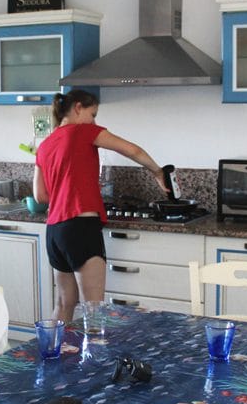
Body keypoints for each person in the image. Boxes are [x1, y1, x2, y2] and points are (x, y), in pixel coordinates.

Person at [33, 89, 168, 322]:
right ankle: (93, 359)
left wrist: (67, 187)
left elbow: (40, 196)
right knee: (94, 311)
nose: (95, 121)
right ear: (78, 108)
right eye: (92, 114)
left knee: (63, 305)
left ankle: (52, 357)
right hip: (81, 226)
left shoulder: (45, 145)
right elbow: (132, 150)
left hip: (55, 231)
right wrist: (158, 172)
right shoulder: (84, 131)